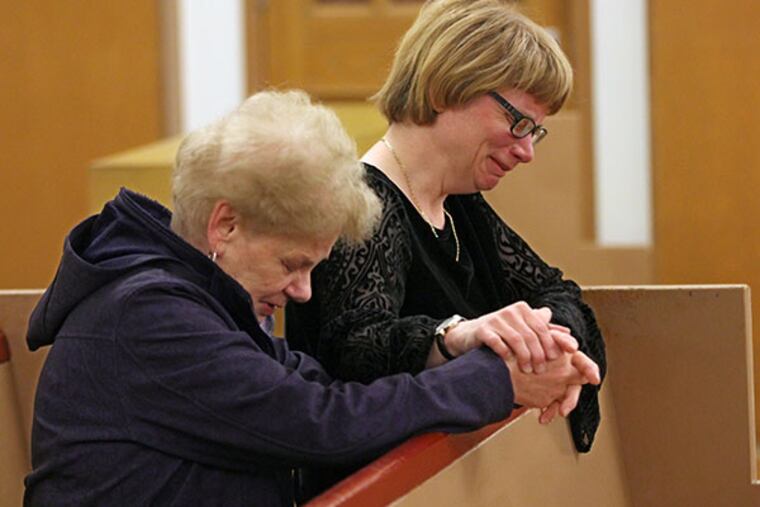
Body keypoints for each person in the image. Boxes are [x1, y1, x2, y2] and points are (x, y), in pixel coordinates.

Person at [24, 90, 600, 507]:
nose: (301, 291)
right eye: (292, 264)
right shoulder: (148, 315)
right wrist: (499, 380)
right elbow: (319, 425)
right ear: (225, 225)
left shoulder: (198, 298)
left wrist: (458, 342)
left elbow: (320, 386)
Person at [286, 0, 606, 467]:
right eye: (517, 122)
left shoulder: (459, 205)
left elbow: (561, 295)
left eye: (535, 132)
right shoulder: (362, 205)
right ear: (444, 90)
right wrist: (458, 338)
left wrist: (544, 344)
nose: (525, 151)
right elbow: (355, 351)